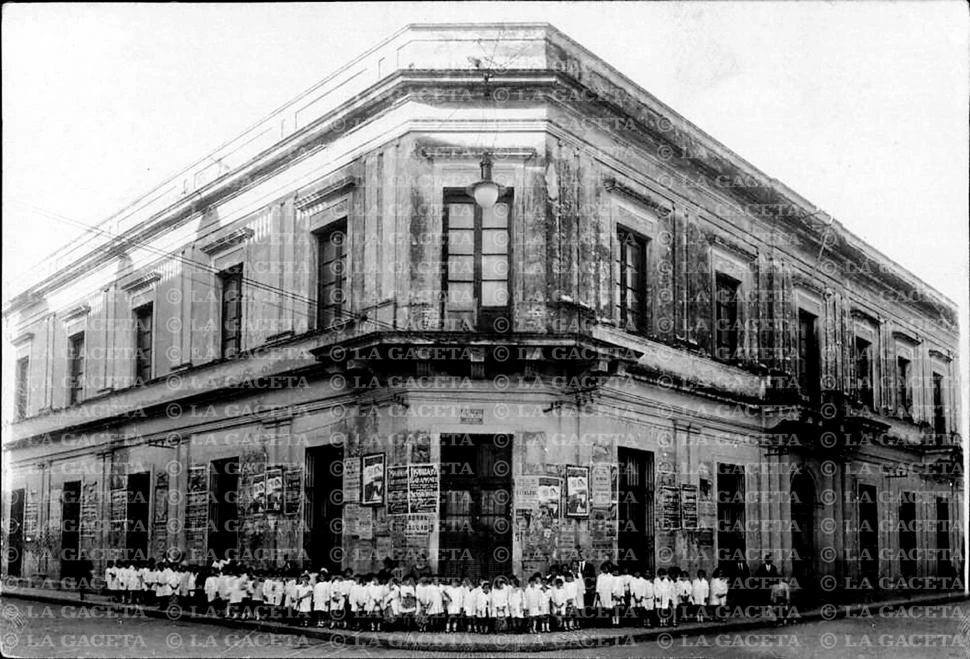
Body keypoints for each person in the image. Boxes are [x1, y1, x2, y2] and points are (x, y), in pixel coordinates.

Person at [595, 562, 615, 626]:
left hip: (608, 593)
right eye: (604, 568)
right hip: (601, 593)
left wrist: (612, 594)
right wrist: (598, 593)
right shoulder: (600, 576)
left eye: (606, 568)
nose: (605, 569)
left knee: (608, 608)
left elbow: (612, 586)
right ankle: (601, 623)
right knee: (601, 608)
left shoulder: (611, 576)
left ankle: (608, 623)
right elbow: (598, 585)